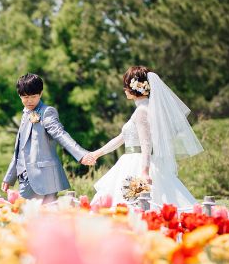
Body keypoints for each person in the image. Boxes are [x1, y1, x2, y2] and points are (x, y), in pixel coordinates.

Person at [84, 66, 203, 208]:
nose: (124, 89)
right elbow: (121, 138)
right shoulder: (143, 109)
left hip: (138, 162)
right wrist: (96, 154)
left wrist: (145, 172)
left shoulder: (142, 111)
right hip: (133, 159)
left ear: (135, 87)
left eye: (126, 85)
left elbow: (146, 144)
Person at [2, 73, 92, 204]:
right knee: (26, 218)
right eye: (25, 97)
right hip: (25, 179)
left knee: (45, 218)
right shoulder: (24, 115)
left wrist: (81, 154)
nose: (29, 101)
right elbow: (19, 150)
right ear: (19, 95)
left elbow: (60, 134)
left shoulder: (47, 112)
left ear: (41, 94)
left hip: (44, 178)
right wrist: (9, 178)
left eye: (33, 96)